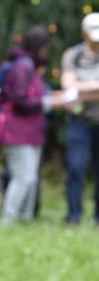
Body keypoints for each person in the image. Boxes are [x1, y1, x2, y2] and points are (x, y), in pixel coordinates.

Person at [0, 25, 50, 224]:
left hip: (32, 131)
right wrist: (47, 102)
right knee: (24, 177)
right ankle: (8, 219)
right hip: (18, 131)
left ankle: (25, 219)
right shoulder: (23, 65)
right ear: (41, 46)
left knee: (32, 178)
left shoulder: (31, 65)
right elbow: (19, 99)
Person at [61, 13, 99, 226]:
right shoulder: (72, 55)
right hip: (80, 122)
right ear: (84, 34)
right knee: (76, 167)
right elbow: (68, 87)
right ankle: (74, 216)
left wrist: (81, 89)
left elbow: (75, 90)